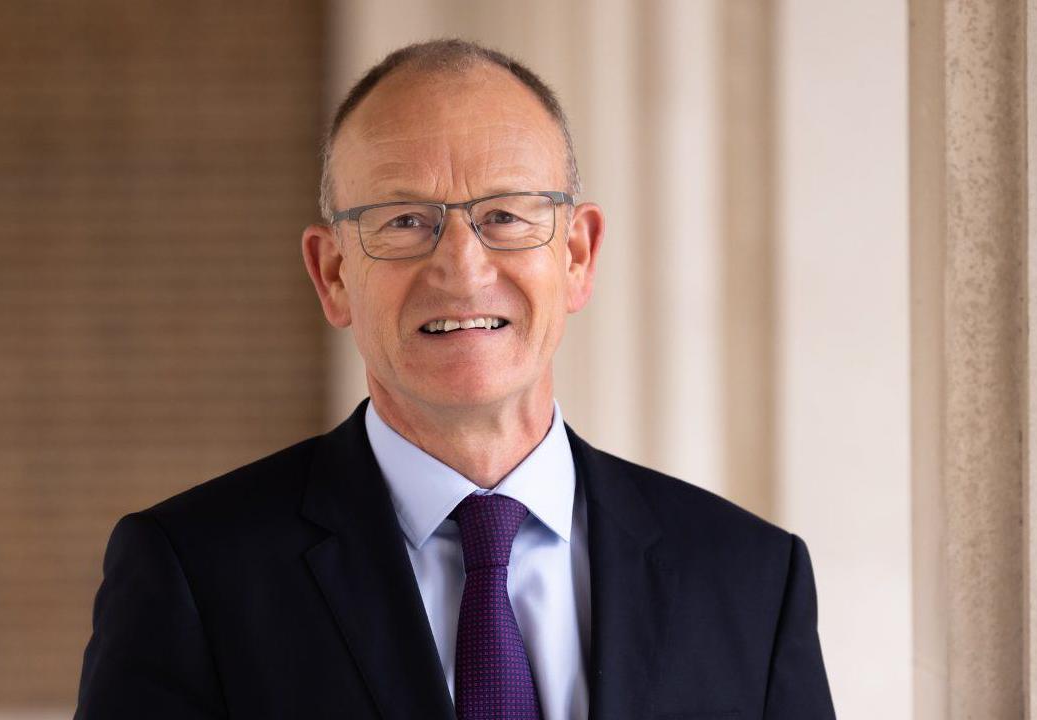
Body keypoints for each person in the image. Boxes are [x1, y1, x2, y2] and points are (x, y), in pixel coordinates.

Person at [74, 39, 835, 720]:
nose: (462, 268)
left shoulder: (751, 579)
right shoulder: (194, 573)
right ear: (333, 273)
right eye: (404, 220)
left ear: (577, 255)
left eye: (505, 215)